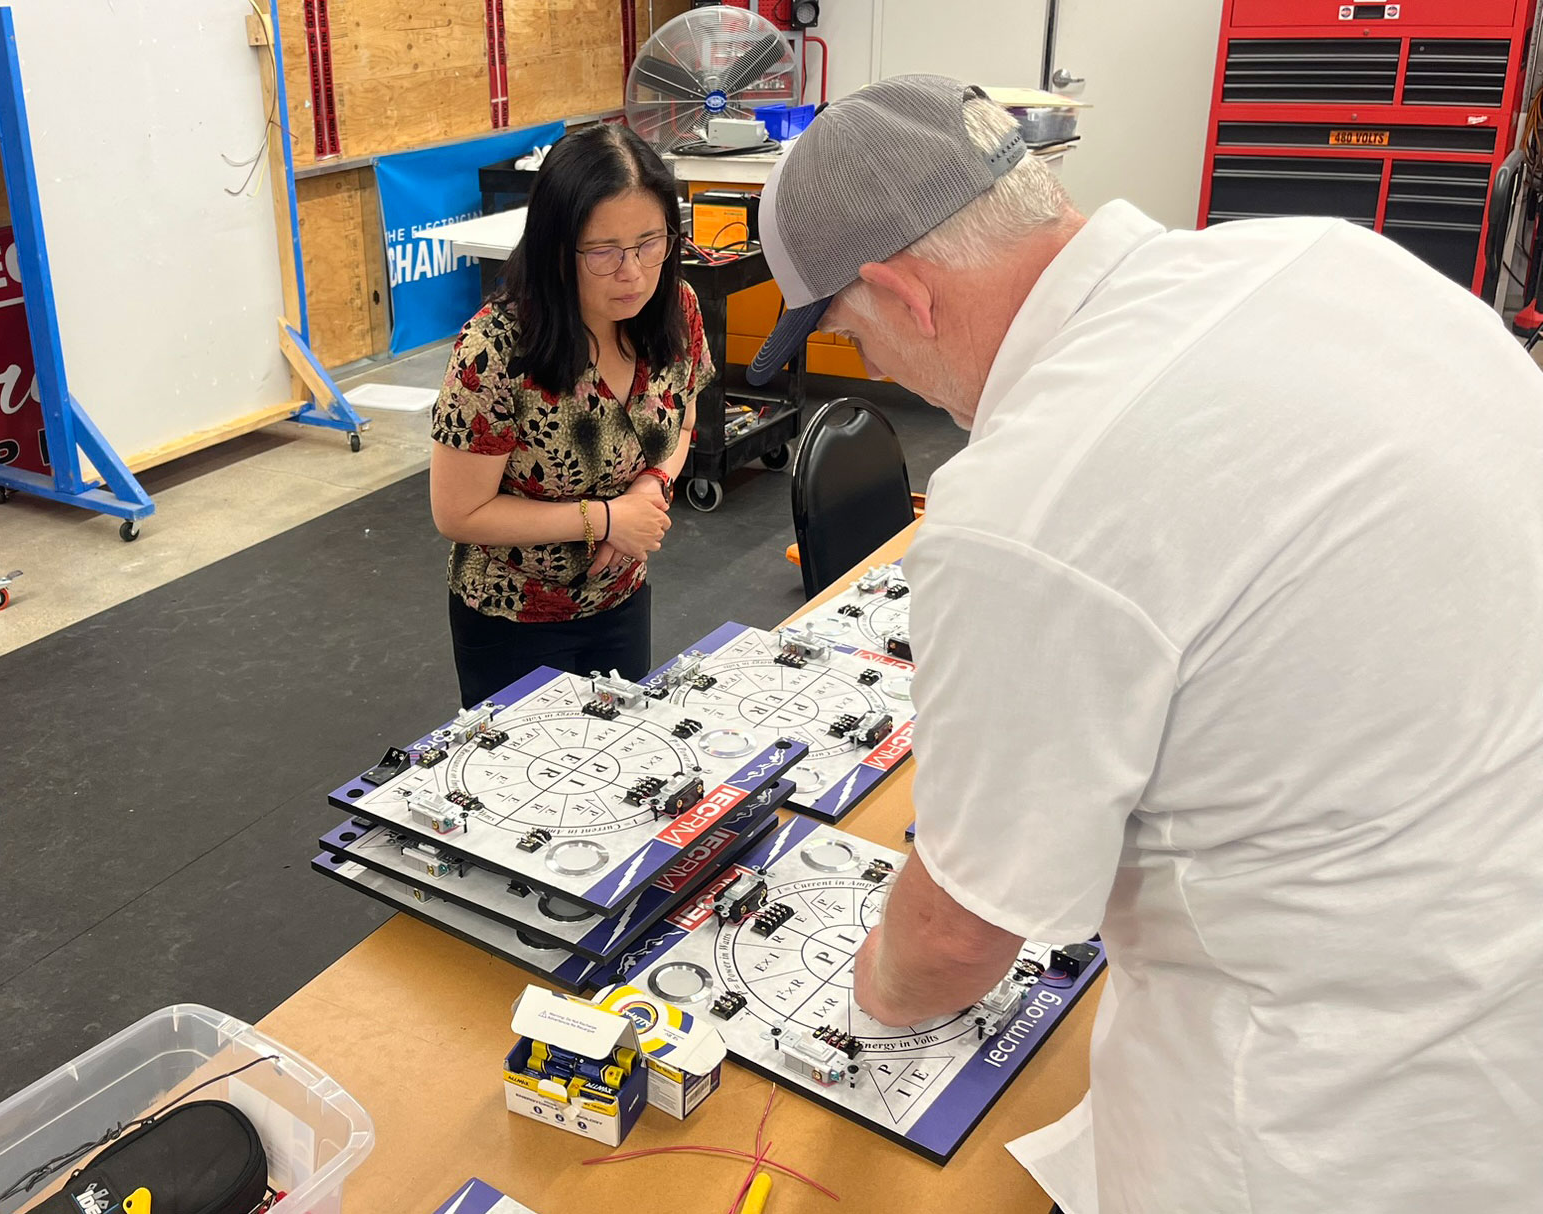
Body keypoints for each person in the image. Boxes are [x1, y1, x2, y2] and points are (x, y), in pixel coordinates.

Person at [749, 74, 1543, 1212]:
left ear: (900, 291)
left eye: (849, 335)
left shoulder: (1025, 501)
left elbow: (955, 940)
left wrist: (860, 992)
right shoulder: (1328, 259)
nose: (871, 367)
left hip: (1329, 1124)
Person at [430, 123, 714, 706]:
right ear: (558, 249)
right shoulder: (496, 350)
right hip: (514, 616)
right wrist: (606, 519)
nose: (632, 272)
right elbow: (459, 511)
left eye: (649, 243)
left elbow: (683, 420)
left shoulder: (675, 308)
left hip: (622, 597)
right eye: (603, 252)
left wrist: (651, 485)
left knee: (625, 764)